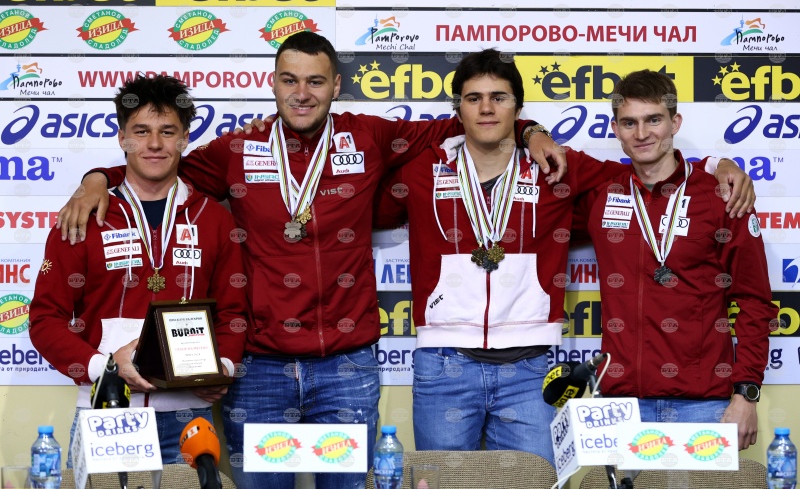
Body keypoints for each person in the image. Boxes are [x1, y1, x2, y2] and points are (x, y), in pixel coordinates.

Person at [55, 32, 559, 489]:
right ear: (273, 84)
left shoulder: (369, 136)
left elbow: (476, 120)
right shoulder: (238, 148)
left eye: (315, 81)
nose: (302, 93)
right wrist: (97, 178)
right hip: (259, 367)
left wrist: (532, 132)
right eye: (289, 80)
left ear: (336, 86)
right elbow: (159, 163)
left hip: (347, 367)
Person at [371, 51, 757, 465]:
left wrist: (715, 164)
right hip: (442, 364)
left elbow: (648, 172)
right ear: (458, 108)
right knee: (442, 482)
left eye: (499, 98)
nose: (486, 108)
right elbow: (361, 203)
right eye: (473, 98)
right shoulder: (421, 170)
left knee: (535, 480)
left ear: (518, 107)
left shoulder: (556, 167)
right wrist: (530, 132)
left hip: (529, 368)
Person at [29, 75, 248, 464]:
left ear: (184, 139)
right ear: (122, 138)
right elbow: (46, 319)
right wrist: (107, 367)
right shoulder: (83, 217)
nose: (154, 144)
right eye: (141, 131)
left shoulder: (214, 219)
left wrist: (223, 367)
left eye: (168, 132)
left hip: (188, 417)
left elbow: (233, 314)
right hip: (106, 410)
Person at [573, 69, 775, 450]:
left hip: (703, 406)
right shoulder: (602, 195)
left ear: (675, 122)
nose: (642, 133)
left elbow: (754, 301)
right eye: (629, 123)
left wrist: (746, 393)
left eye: (654, 120)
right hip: (621, 405)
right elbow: (535, 218)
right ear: (615, 129)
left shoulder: (721, 197)